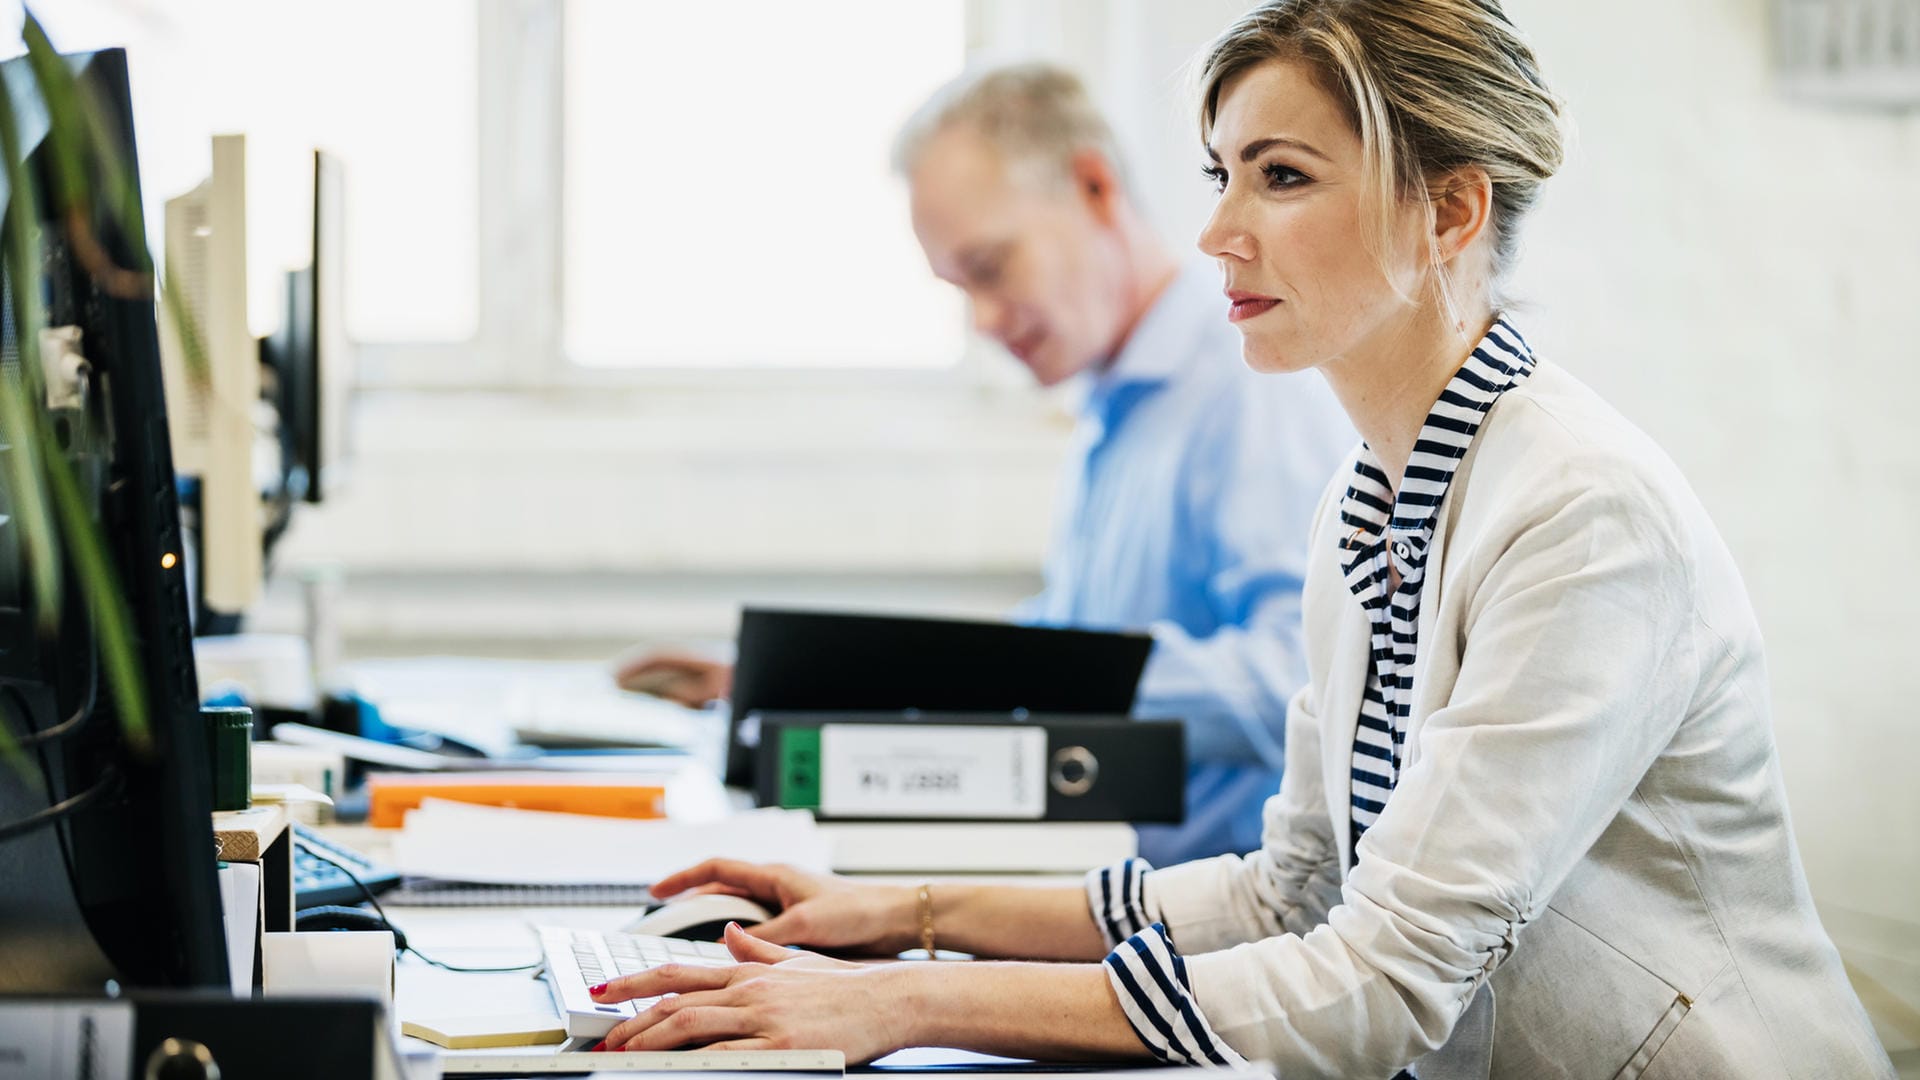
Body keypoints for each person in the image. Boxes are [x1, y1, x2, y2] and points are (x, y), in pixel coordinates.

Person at [583, 2, 1897, 1076]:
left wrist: (909, 1004)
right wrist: (903, 919)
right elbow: (1293, 890)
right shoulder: (1372, 495)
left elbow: (1378, 979)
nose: (1216, 231)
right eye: (1224, 174)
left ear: (1448, 212)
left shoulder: (1584, 517)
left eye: (1281, 176)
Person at [617, 63, 1354, 864]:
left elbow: (1301, 679)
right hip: (1090, 886)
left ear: (1093, 187)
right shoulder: (1118, 401)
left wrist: (1054, 687)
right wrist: (808, 686)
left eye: (992, 267)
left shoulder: (1247, 387)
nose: (985, 320)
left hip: (1199, 925)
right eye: (957, 287)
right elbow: (1065, 639)